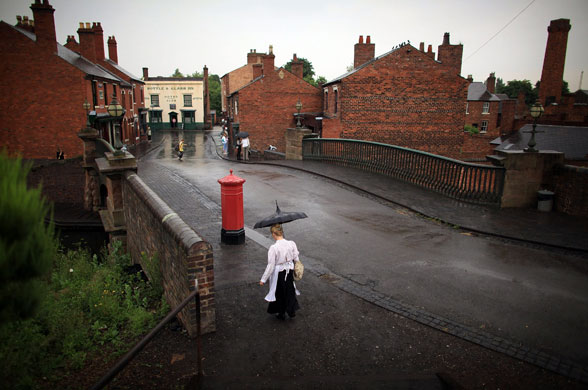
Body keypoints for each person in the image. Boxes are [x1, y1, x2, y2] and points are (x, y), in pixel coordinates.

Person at [259, 224, 300, 320]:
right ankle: (291, 311)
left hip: (279, 273)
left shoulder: (274, 248)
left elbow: (271, 265)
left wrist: (263, 279)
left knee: (279, 292)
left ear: (274, 234)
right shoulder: (291, 243)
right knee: (290, 290)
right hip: (289, 270)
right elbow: (296, 258)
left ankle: (281, 313)